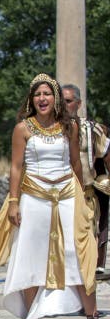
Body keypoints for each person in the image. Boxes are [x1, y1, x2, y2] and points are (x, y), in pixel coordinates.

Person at [0, 74, 110, 319]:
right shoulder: (23, 129)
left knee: (79, 253)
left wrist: (83, 196)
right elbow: (16, 168)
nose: (42, 98)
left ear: (56, 98)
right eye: (37, 94)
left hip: (67, 195)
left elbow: (75, 164)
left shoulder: (68, 127)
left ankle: (92, 318)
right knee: (32, 254)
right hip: (33, 197)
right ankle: (32, 318)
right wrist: (13, 202)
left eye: (47, 93)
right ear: (32, 99)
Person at [62, 84, 110, 280]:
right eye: (60, 102)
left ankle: (86, 291)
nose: (64, 106)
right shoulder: (47, 130)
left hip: (86, 196)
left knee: (85, 245)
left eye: (68, 101)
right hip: (57, 195)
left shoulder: (91, 130)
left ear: (78, 103)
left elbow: (106, 154)